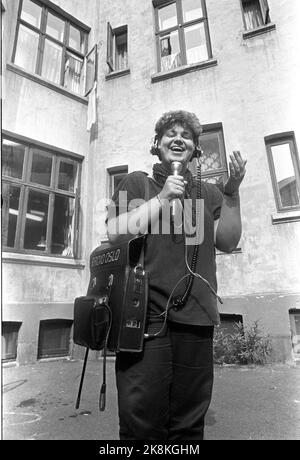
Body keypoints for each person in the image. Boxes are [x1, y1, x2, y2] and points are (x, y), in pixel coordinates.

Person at [107, 110, 247, 440]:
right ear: (156, 145)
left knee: (187, 425)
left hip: (196, 320)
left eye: (187, 135)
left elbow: (227, 241)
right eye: (170, 133)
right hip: (144, 322)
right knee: (141, 422)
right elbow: (115, 232)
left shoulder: (208, 193)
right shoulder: (137, 183)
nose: (178, 137)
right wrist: (162, 197)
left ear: (196, 151)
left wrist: (232, 193)